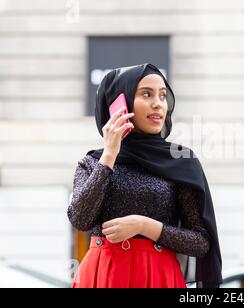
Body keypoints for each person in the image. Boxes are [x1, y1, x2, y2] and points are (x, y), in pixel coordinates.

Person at [68, 63, 222, 288]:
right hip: (102, 275)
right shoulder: (92, 162)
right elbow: (80, 219)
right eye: (146, 94)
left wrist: (144, 226)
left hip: (158, 276)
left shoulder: (180, 161)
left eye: (162, 95)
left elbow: (200, 242)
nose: (158, 103)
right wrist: (110, 154)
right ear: (119, 104)